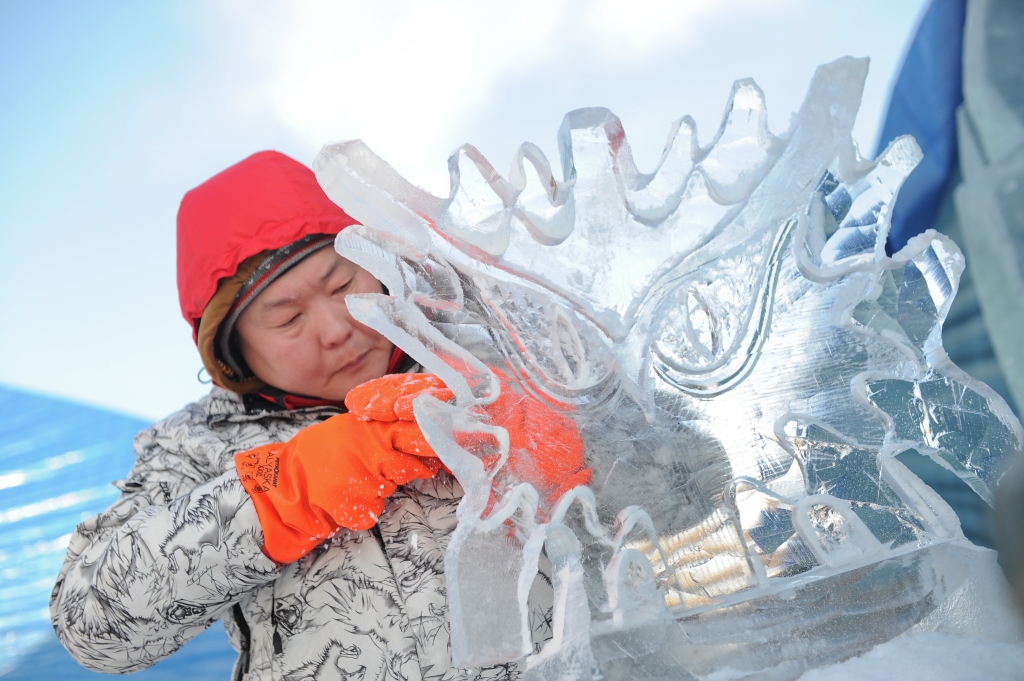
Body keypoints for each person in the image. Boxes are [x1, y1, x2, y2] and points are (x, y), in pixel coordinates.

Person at [49, 151, 590, 681]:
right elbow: (92, 624)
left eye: (341, 284)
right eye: (287, 318)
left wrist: (582, 441)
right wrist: (285, 486)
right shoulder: (192, 445)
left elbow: (668, 498)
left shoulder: (490, 368)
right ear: (234, 349)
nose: (337, 329)